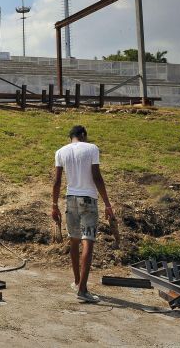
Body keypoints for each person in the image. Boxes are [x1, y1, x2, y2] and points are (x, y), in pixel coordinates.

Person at [51, 125, 115, 304]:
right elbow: (97, 177)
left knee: (74, 240)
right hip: (88, 199)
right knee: (88, 241)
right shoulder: (92, 148)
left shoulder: (60, 152)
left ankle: (77, 281)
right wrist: (108, 204)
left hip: (70, 199)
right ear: (83, 135)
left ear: (71, 136)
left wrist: (54, 205)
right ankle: (82, 290)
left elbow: (57, 181)